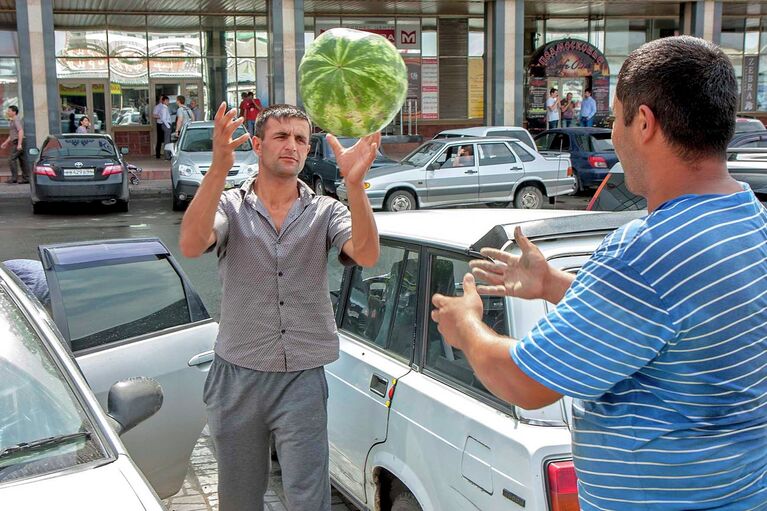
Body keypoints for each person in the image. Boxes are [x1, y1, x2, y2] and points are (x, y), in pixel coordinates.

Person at [431, 36, 767, 511]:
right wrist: (553, 285)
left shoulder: (648, 251)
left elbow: (525, 383)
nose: (613, 136)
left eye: (615, 120)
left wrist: (465, 325)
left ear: (644, 122)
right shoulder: (749, 219)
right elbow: (677, 326)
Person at [179, 102, 380, 511]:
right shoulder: (231, 206)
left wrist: (355, 187)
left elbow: (366, 253)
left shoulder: (325, 211)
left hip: (301, 380)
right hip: (237, 375)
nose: (292, 145)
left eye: (301, 139)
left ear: (308, 150)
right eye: (281, 136)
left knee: (310, 499)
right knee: (239, 499)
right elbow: (191, 243)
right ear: (257, 144)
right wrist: (218, 168)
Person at [2, 106, 27, 184]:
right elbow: (12, 134)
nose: (7, 112)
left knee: (11, 159)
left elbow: (20, 131)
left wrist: (19, 144)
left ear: (14, 112)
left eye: (9, 111)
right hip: (18, 141)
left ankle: (14, 178)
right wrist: (5, 142)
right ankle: (26, 178)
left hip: (18, 142)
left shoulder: (16, 119)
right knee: (22, 160)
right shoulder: (13, 120)